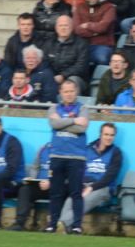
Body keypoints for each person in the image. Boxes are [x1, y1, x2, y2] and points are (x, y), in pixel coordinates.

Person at [42, 79, 89, 235]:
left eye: (71, 91)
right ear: (60, 93)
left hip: (77, 157)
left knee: (76, 193)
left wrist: (62, 121)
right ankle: (52, 224)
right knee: (56, 192)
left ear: (76, 92)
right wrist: (74, 120)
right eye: (65, 91)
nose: (68, 94)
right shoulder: (53, 108)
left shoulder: (83, 108)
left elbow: (82, 128)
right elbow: (54, 125)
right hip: (57, 156)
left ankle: (77, 226)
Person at [59, 123, 122, 231]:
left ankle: (62, 223)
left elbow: (109, 177)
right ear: (100, 135)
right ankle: (67, 229)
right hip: (84, 185)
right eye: (106, 134)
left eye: (112, 135)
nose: (109, 138)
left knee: (83, 200)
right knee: (70, 201)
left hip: (103, 189)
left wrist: (91, 187)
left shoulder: (116, 153)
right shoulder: (87, 149)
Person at [11, 143, 52, 232]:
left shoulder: (66, 152)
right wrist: (32, 179)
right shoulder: (43, 149)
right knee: (25, 189)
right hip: (39, 184)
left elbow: (67, 174)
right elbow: (35, 167)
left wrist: (51, 182)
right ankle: (19, 223)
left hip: (55, 186)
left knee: (59, 191)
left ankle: (52, 225)